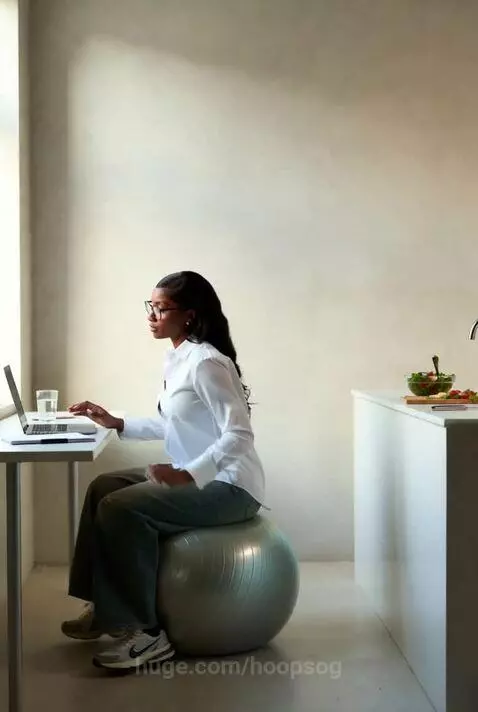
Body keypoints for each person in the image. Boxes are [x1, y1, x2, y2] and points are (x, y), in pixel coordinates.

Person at [61, 271, 266, 671]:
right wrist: (116, 422)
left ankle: (147, 635)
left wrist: (189, 474)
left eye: (161, 308)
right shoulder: (178, 356)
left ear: (189, 315)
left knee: (122, 508)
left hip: (230, 486)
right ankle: (105, 608)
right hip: (191, 473)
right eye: (150, 306)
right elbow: (174, 424)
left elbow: (240, 435)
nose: (152, 315)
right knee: (104, 486)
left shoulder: (207, 362)